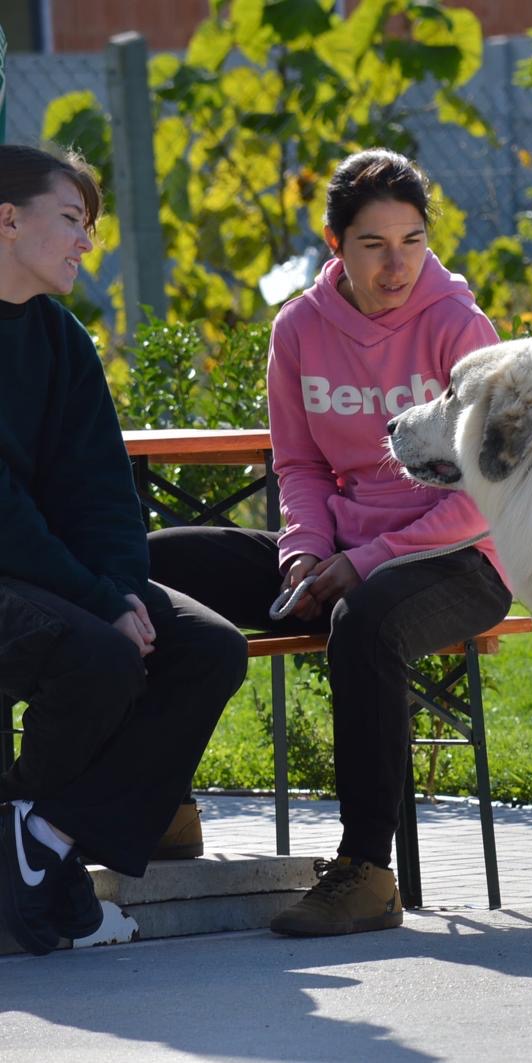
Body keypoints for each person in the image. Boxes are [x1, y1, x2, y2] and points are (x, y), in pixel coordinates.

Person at [148, 148, 511, 937]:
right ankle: (160, 801)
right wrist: (303, 554)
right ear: (334, 242)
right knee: (151, 560)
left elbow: (487, 490)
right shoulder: (301, 328)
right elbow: (300, 464)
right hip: (338, 552)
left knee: (366, 619)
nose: (396, 265)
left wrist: (365, 561)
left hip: (457, 559)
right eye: (374, 244)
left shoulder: (459, 325)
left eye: (412, 240)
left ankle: (366, 871)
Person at [0, 144, 248, 957]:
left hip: (46, 579)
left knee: (208, 645)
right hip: (19, 576)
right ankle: (36, 861)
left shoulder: (62, 340)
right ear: (7, 219)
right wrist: (101, 600)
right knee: (102, 654)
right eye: (71, 219)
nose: (84, 242)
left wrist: (125, 589)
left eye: (90, 226)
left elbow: (103, 494)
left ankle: (45, 834)